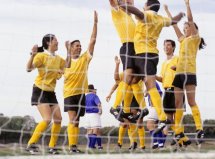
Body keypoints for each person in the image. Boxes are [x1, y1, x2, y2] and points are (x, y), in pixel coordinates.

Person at [118, 0, 185, 133]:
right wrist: (179, 15)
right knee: (134, 80)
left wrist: (123, 5)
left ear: (148, 6)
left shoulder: (148, 14)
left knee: (150, 86)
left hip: (145, 54)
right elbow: (172, 21)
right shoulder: (160, 18)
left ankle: (161, 117)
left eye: (144, 5)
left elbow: (137, 12)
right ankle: (125, 110)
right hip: (152, 55)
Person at [164, 0, 206, 145]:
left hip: (190, 73)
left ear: (192, 29)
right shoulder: (182, 41)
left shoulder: (195, 39)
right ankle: (178, 132)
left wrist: (187, 5)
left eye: (186, 27)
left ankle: (199, 129)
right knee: (178, 104)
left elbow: (190, 19)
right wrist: (168, 12)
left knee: (191, 101)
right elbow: (174, 25)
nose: (184, 29)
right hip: (179, 75)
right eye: (184, 28)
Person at [63, 11, 98, 153]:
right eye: (76, 45)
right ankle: (72, 147)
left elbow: (92, 40)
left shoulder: (84, 59)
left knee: (77, 120)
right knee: (72, 119)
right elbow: (66, 68)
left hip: (81, 94)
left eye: (79, 45)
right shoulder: (66, 61)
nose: (79, 47)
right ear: (71, 48)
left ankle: (74, 146)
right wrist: (67, 51)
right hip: (69, 94)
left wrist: (95, 24)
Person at [26, 34, 65, 154]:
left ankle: (52, 146)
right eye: (55, 40)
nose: (57, 42)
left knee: (58, 119)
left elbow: (66, 67)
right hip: (39, 90)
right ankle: (31, 144)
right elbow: (28, 68)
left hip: (50, 92)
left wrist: (61, 71)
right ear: (48, 43)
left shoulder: (59, 59)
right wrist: (32, 55)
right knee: (47, 119)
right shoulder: (41, 56)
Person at [109, 0, 148, 121]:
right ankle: (115, 107)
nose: (130, 1)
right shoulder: (118, 12)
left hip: (137, 48)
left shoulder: (131, 18)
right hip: (128, 47)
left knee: (136, 79)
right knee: (128, 76)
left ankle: (139, 108)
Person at [106, 56, 146, 151]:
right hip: (126, 97)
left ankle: (142, 145)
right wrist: (117, 64)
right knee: (124, 122)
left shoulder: (140, 71)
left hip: (137, 97)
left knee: (138, 123)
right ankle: (127, 143)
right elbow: (116, 81)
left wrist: (147, 90)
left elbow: (148, 81)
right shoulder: (126, 73)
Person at [156, 39, 191, 147]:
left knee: (178, 119)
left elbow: (185, 71)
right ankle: (183, 139)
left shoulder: (177, 59)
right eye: (164, 45)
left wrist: (177, 68)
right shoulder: (163, 63)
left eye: (168, 45)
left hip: (177, 90)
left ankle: (181, 141)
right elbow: (162, 79)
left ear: (173, 47)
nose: (166, 47)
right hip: (167, 92)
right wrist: (153, 76)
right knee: (169, 120)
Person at [145, 82, 166, 149]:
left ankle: (158, 144)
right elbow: (145, 94)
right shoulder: (150, 84)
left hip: (155, 107)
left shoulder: (153, 83)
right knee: (155, 126)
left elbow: (160, 93)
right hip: (154, 107)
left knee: (150, 125)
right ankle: (158, 144)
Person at [85, 84, 103, 150]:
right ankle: (91, 146)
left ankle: (91, 146)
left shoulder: (85, 96)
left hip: (87, 114)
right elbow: (98, 103)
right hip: (94, 114)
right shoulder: (94, 96)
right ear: (93, 89)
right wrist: (100, 110)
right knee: (96, 130)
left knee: (89, 130)